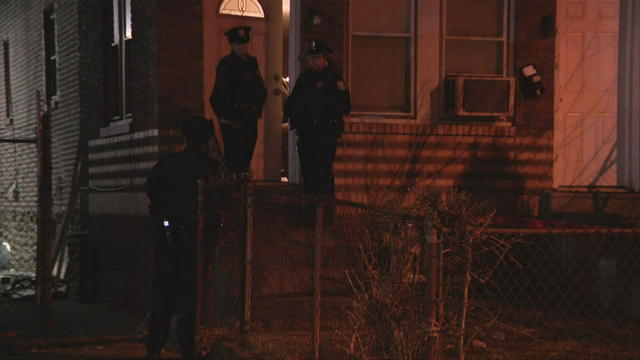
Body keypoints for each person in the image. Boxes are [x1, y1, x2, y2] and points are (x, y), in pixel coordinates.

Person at [144, 116, 222, 359]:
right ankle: (187, 347)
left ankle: (155, 346)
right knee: (191, 295)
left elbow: (151, 190)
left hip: (168, 236)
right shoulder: (211, 168)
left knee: (163, 293)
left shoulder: (168, 164)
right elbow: (221, 202)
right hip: (196, 238)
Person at [284, 39, 351, 196]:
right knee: (308, 173)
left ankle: (326, 213)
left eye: (317, 58)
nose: (313, 62)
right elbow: (293, 102)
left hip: (325, 133)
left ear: (324, 58)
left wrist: (326, 114)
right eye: (311, 58)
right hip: (307, 133)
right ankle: (310, 213)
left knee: (324, 173)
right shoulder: (305, 79)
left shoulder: (334, 79)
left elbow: (345, 106)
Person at [209, 26, 267, 177]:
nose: (242, 47)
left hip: (249, 117)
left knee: (245, 159)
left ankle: (243, 191)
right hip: (234, 119)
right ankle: (234, 193)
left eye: (244, 43)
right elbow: (219, 94)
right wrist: (225, 117)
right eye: (238, 44)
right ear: (232, 44)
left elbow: (260, 89)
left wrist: (256, 108)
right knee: (234, 161)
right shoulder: (227, 64)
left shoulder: (252, 63)